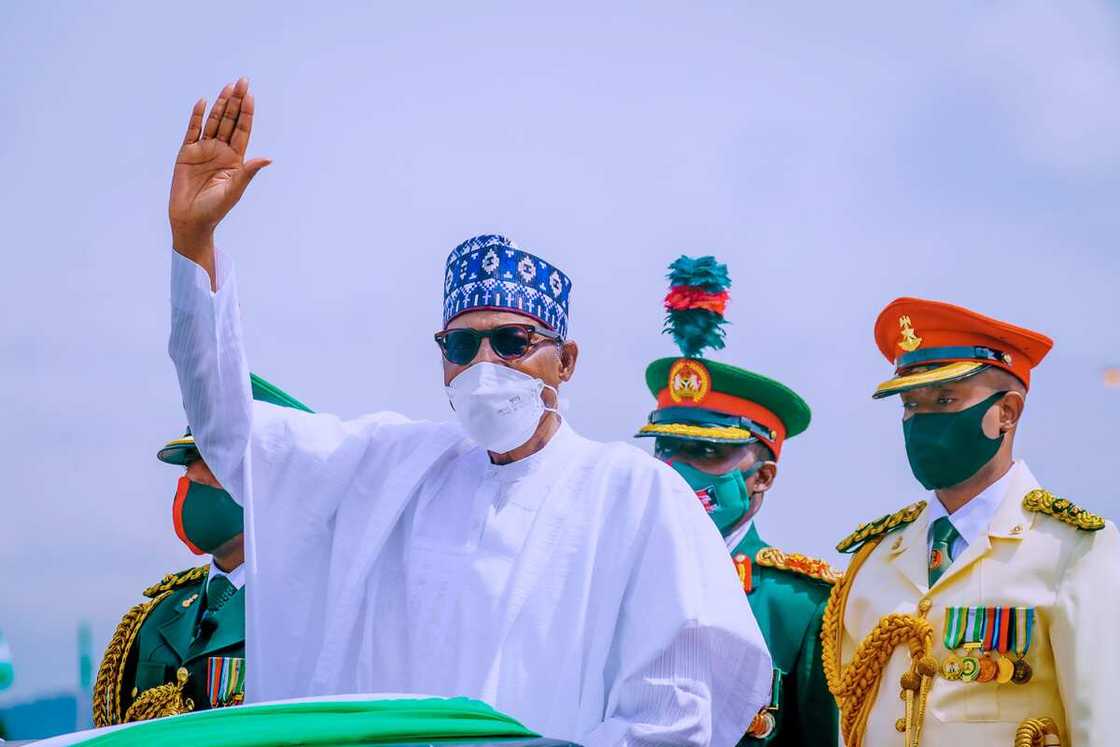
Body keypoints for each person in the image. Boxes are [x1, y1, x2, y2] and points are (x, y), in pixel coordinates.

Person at [161, 77, 772, 746]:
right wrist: (196, 243)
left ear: (565, 361)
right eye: (461, 343)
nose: (485, 363)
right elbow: (230, 434)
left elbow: (676, 714)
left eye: (512, 342)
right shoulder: (391, 471)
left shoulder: (634, 497)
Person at [821, 297, 1120, 746]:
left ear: (1007, 413)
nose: (922, 421)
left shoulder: (1070, 549)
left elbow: (1100, 722)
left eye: (945, 399)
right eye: (910, 405)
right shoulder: (875, 558)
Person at [634, 256, 839, 746]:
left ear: (761, 477)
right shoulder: (617, 573)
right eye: (667, 448)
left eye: (705, 452)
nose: (677, 468)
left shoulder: (798, 604)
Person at [92, 374, 311, 726]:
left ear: (267, 481)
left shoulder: (305, 612)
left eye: (211, 462)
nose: (190, 478)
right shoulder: (158, 616)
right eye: (188, 464)